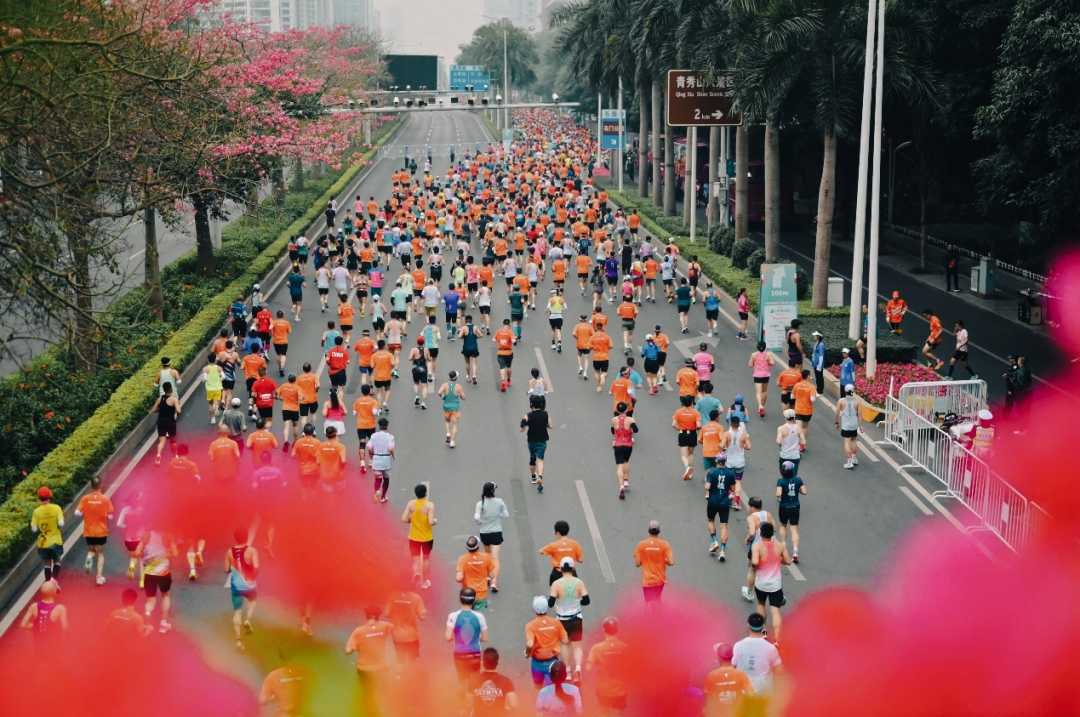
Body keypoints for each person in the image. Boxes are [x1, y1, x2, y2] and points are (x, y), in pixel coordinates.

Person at [345, 606, 394, 714]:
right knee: (380, 693)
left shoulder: (358, 631)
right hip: (381, 668)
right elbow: (396, 630)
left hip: (364, 669)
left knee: (368, 693)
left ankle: (370, 711)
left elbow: (348, 650)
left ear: (366, 615)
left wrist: (358, 646)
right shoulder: (385, 626)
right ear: (378, 615)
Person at [549, 557, 589, 681]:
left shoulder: (556, 584)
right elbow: (587, 600)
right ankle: (577, 668)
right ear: (572, 568)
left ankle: (567, 671)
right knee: (577, 646)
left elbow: (550, 603)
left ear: (561, 569)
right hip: (576, 617)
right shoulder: (579, 583)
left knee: (565, 645)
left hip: (562, 619)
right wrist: (576, 600)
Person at [751, 521, 791, 640]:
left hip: (761, 584)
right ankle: (777, 640)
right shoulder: (780, 545)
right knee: (775, 611)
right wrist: (779, 560)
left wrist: (757, 566)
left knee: (761, 604)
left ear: (761, 534)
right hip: (775, 586)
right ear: (772, 534)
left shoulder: (757, 546)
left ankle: (763, 633)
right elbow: (788, 561)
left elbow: (754, 562)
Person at [586, 616, 629, 713]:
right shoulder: (625, 648)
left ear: (604, 630)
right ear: (617, 630)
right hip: (620, 690)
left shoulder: (596, 648)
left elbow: (588, 668)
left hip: (603, 690)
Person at [226, 527, 259, 651]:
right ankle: (248, 619)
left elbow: (226, 569)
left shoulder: (229, 551)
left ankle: (238, 641)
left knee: (237, 611)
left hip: (236, 584)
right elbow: (256, 568)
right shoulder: (252, 551)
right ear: (246, 537)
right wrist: (251, 578)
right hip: (249, 583)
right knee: (253, 600)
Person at [76, 476, 114, 586]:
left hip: (89, 530)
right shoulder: (105, 499)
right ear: (100, 485)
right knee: (100, 553)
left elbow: (77, 512)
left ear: (91, 486)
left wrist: (86, 513)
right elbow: (111, 515)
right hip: (101, 531)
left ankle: (89, 558)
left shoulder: (85, 498)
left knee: (91, 550)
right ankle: (99, 577)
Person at [525, 595, 570, 687]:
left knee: (538, 687)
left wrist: (527, 653)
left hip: (537, 663)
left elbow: (530, 644)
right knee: (554, 687)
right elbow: (565, 640)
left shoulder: (530, 625)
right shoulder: (556, 622)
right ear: (546, 608)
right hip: (553, 662)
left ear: (534, 609)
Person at [137, 528, 175, 633]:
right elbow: (175, 553)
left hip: (149, 573)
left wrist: (147, 558)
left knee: (151, 599)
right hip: (164, 572)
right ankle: (163, 623)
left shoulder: (146, 535)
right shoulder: (168, 535)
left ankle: (147, 620)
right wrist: (164, 555)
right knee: (165, 595)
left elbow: (137, 552)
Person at [732, 613, 782, 693]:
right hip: (763, 690)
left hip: (743, 688)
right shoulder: (771, 648)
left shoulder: (738, 645)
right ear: (763, 627)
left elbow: (733, 666)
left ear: (748, 625)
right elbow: (778, 669)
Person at [446, 587, 488, 681]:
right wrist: (476, 637)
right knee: (475, 681)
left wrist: (457, 637)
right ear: (473, 600)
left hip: (459, 654)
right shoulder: (480, 616)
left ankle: (462, 694)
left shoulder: (453, 616)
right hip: (475, 654)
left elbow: (448, 637)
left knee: (462, 680)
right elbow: (485, 638)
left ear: (460, 599)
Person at [474, 482, 510, 590]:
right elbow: (506, 515)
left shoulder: (480, 504)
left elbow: (476, 518)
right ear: (493, 491)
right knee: (495, 558)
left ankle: (487, 577)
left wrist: (481, 522)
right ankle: (494, 581)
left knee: (487, 556)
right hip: (496, 532)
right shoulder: (499, 502)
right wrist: (497, 515)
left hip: (484, 533)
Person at [703, 642, 752, 717]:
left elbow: (707, 703)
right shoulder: (741, 675)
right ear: (732, 656)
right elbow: (750, 695)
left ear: (718, 657)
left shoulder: (711, 676)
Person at [402, 483, 436, 589]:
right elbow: (430, 522)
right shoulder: (429, 505)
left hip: (413, 537)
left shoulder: (411, 504)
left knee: (416, 559)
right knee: (426, 559)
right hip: (426, 538)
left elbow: (403, 519)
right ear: (425, 493)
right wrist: (435, 521)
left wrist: (412, 520)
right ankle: (425, 580)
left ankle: (416, 574)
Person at [468, 648, 518, 717]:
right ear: (497, 662)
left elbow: (468, 704)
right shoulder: (506, 681)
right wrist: (506, 709)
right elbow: (513, 704)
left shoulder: (473, 680)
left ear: (482, 662)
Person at [633, 520, 675, 603]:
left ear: (649, 531)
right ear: (659, 531)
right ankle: (658, 614)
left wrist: (645, 559)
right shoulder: (665, 544)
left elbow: (637, 564)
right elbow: (671, 562)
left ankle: (650, 615)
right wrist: (662, 559)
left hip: (647, 581)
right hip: (659, 581)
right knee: (657, 600)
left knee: (648, 602)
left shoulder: (641, 545)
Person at [706, 453, 738, 561]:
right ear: (725, 461)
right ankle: (723, 551)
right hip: (724, 502)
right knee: (724, 525)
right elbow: (733, 489)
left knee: (711, 520)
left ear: (716, 461)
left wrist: (707, 491)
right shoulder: (730, 473)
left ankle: (714, 541)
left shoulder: (711, 472)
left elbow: (707, 486)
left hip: (713, 501)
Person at [741, 497, 773, 603]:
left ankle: (749, 593)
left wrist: (747, 539)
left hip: (756, 548)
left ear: (752, 507)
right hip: (768, 547)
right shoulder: (768, 514)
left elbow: (751, 533)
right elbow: (774, 528)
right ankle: (777, 594)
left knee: (752, 569)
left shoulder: (751, 517)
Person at [457, 535, 499, 611]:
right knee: (479, 616)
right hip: (481, 593)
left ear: (467, 547)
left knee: (468, 615)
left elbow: (459, 578)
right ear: (478, 547)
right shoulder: (486, 557)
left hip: (467, 594)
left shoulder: (462, 559)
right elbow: (492, 575)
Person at [384, 589, 426, 663]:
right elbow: (422, 617)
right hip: (411, 636)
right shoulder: (416, 597)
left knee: (400, 659)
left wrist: (397, 614)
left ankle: (401, 674)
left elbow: (386, 614)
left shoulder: (392, 596)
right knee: (412, 660)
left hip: (398, 636)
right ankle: (411, 673)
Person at [776, 461, 806, 563]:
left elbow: (778, 493)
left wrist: (779, 497)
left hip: (784, 507)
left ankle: (783, 545)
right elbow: (804, 491)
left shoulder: (781, 481)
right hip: (795, 506)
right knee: (794, 529)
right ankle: (795, 552)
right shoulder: (798, 480)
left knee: (783, 526)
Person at [522, 395, 552, 492]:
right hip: (542, 440)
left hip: (531, 440)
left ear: (531, 404)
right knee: (540, 459)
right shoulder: (545, 414)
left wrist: (523, 426)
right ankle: (540, 476)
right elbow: (550, 426)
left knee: (532, 458)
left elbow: (522, 427)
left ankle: (533, 477)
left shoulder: (528, 415)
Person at [540, 520, 584, 586]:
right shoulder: (575, 544)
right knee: (575, 592)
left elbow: (541, 552)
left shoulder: (553, 545)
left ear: (557, 532)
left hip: (557, 574)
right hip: (571, 574)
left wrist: (552, 553)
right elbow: (580, 560)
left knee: (554, 593)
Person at [611, 402, 638, 500]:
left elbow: (613, 431)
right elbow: (636, 430)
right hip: (628, 445)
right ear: (626, 410)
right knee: (626, 461)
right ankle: (626, 480)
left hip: (618, 445)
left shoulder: (613, 420)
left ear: (617, 410)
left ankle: (621, 486)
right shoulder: (630, 419)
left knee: (619, 466)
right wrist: (630, 428)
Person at [673, 395, 702, 481]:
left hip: (682, 433)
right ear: (691, 402)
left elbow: (673, 424)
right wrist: (695, 428)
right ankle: (691, 472)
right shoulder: (695, 412)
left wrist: (680, 429)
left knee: (683, 455)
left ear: (682, 403)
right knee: (690, 454)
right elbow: (699, 425)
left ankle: (687, 467)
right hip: (692, 434)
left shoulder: (678, 412)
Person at [151, 381, 180, 465]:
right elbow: (179, 410)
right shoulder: (174, 399)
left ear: (163, 390)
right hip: (170, 422)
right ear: (171, 389)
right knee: (172, 440)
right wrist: (176, 413)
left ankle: (159, 455)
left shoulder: (160, 398)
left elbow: (153, 410)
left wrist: (160, 410)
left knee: (162, 441)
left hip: (161, 422)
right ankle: (175, 456)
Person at [368, 417, 395, 503]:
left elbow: (369, 447)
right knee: (386, 478)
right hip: (386, 459)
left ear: (379, 426)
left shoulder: (373, 436)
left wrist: (371, 454)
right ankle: (383, 497)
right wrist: (393, 455)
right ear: (387, 426)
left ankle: (377, 491)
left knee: (378, 478)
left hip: (376, 458)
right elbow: (391, 448)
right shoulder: (390, 437)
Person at [437, 370, 465, 448]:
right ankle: (452, 441)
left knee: (447, 421)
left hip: (446, 407)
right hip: (455, 408)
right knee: (455, 424)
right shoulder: (458, 387)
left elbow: (439, 393)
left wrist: (443, 397)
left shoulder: (445, 385)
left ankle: (448, 433)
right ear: (456, 378)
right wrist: (459, 395)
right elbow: (463, 397)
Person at [835, 384, 861, 469]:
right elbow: (860, 415)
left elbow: (837, 413)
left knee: (847, 442)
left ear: (845, 391)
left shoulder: (841, 401)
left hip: (846, 425)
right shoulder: (857, 402)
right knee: (853, 440)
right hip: (854, 425)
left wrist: (837, 422)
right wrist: (860, 426)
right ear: (853, 391)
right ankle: (854, 458)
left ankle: (849, 462)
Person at [748, 342, 775, 418]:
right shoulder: (768, 354)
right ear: (765, 347)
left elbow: (750, 365)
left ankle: (760, 405)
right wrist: (768, 361)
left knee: (758, 392)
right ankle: (762, 406)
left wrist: (754, 362)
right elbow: (772, 363)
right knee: (764, 391)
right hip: (766, 375)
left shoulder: (754, 355)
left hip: (757, 375)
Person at [791, 369, 817, 448]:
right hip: (807, 411)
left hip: (798, 409)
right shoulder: (812, 387)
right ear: (808, 376)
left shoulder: (797, 385)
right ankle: (802, 444)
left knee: (798, 427)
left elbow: (792, 397)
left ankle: (798, 443)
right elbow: (813, 399)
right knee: (804, 427)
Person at [275, 374, 301, 452]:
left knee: (286, 426)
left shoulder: (283, 386)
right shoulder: (297, 387)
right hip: (294, 409)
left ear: (288, 379)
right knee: (295, 425)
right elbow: (301, 398)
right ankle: (295, 441)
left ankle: (286, 442)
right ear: (295, 380)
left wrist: (280, 398)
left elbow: (276, 394)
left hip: (285, 409)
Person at [589, 322, 614, 392]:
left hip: (596, 358)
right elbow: (611, 346)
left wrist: (594, 348)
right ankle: (603, 376)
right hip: (605, 357)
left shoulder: (593, 336)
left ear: (596, 328)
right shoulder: (607, 336)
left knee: (597, 372)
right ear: (602, 327)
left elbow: (589, 347)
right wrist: (605, 349)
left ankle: (598, 386)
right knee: (604, 372)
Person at [408, 336, 429, 409]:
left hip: (415, 368)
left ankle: (417, 396)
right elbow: (428, 359)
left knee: (416, 383)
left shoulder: (413, 349)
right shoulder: (426, 349)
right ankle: (423, 402)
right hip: (423, 369)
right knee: (424, 386)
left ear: (417, 342)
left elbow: (409, 358)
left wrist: (415, 358)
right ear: (424, 342)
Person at [494, 318, 515, 392]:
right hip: (509, 352)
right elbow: (513, 340)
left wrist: (499, 341)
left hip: (500, 352)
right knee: (509, 367)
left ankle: (503, 381)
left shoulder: (498, 331)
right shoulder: (510, 332)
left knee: (502, 367)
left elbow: (493, 339)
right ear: (509, 324)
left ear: (503, 324)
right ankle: (508, 380)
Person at [572, 314, 594, 379]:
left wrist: (577, 338)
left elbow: (573, 334)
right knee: (586, 358)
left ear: (580, 319)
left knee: (579, 355)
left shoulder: (577, 326)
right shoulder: (589, 326)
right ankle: (585, 373)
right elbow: (593, 335)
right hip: (587, 345)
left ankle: (580, 367)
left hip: (579, 344)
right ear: (586, 319)